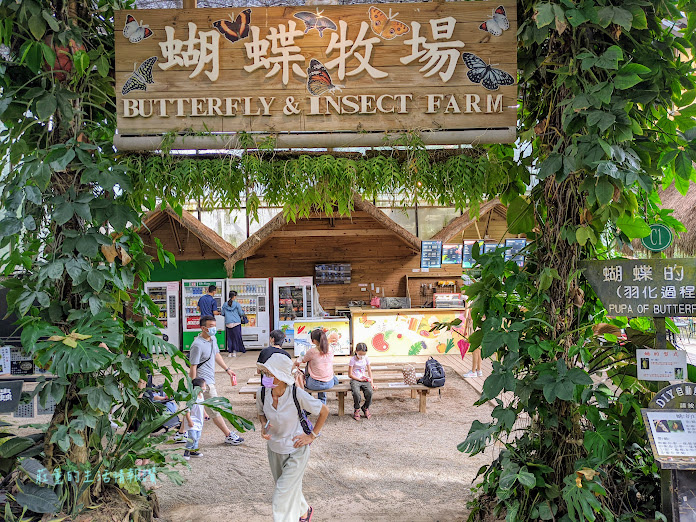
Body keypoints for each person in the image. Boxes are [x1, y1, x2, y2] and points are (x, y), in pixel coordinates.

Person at [257, 352, 329, 522]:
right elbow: (261, 414)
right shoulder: (262, 393)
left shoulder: (296, 394)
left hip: (296, 449)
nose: (265, 377)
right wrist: (263, 426)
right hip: (275, 449)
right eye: (265, 373)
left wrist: (311, 435)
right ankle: (304, 511)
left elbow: (324, 410)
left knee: (281, 495)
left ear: (281, 377)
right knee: (288, 489)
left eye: (270, 373)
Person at [188, 315, 244, 445]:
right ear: (203, 328)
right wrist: (195, 386)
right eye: (211, 326)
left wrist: (227, 369)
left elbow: (216, 354)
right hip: (203, 383)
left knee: (194, 409)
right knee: (215, 409)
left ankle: (181, 434)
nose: (214, 329)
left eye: (215, 326)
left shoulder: (212, 339)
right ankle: (228, 435)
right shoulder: (197, 345)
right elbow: (193, 367)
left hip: (210, 380)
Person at [296, 329, 338, 404]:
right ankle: (322, 403)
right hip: (329, 383)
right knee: (326, 373)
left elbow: (304, 360)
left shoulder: (312, 351)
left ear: (314, 341)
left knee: (307, 377)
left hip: (314, 384)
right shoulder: (331, 349)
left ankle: (309, 405)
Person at [348, 342, 377, 421]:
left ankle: (365, 407)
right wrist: (359, 379)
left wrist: (372, 383)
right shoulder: (352, 359)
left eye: (363, 354)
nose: (362, 356)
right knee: (356, 394)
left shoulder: (366, 358)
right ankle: (357, 409)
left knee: (370, 392)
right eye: (360, 354)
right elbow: (350, 374)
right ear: (356, 351)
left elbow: (369, 371)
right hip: (355, 379)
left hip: (364, 378)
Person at [183, 377, 207, 460]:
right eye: (204, 386)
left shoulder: (201, 396)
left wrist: (205, 414)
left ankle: (193, 450)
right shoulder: (192, 398)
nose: (205, 388)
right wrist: (189, 421)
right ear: (198, 388)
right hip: (192, 420)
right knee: (192, 436)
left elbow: (202, 406)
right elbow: (187, 410)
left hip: (199, 420)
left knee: (197, 436)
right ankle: (187, 450)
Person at [222, 290, 246, 358]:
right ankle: (235, 352)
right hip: (236, 323)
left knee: (230, 338)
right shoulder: (237, 304)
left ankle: (230, 352)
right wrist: (243, 312)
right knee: (235, 338)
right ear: (234, 296)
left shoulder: (225, 304)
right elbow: (240, 313)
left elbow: (223, 313)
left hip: (228, 323)